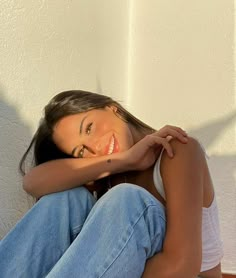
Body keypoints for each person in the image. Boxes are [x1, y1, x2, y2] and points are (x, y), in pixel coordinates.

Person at [0, 90, 223, 278]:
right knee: (69, 199)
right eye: (81, 152)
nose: (96, 147)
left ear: (111, 108)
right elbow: (32, 183)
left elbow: (182, 267)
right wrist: (123, 161)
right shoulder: (107, 178)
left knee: (126, 199)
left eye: (89, 128)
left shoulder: (177, 150)